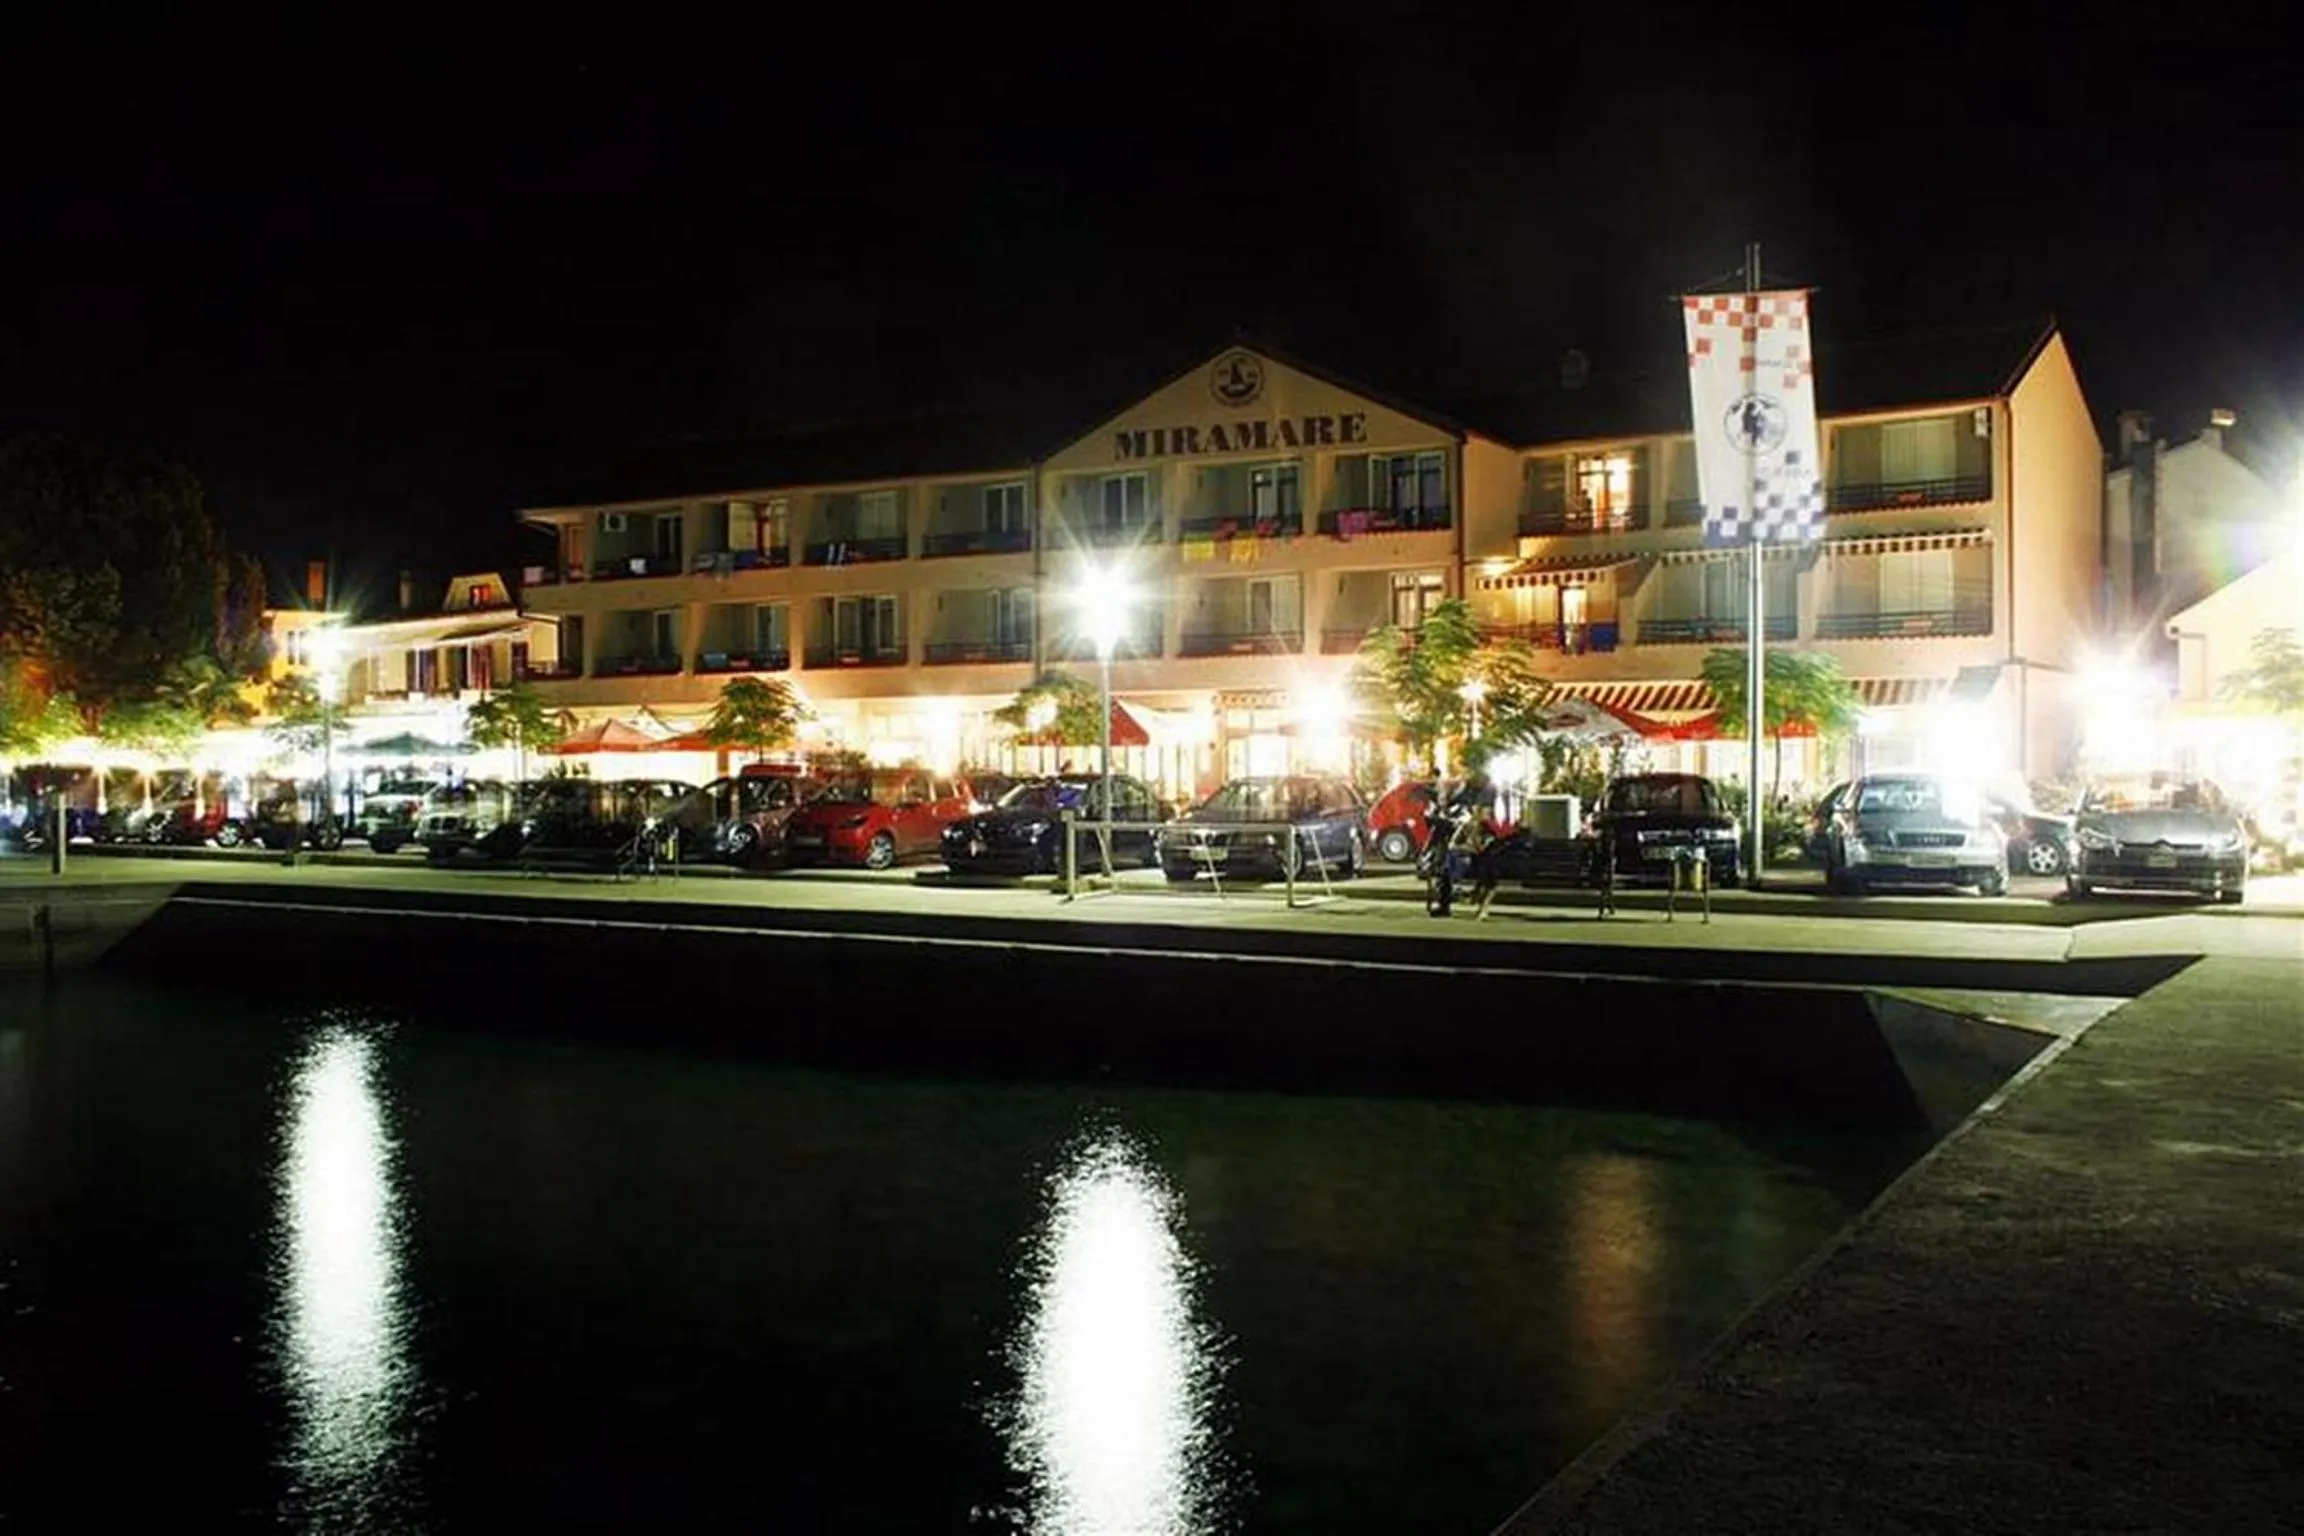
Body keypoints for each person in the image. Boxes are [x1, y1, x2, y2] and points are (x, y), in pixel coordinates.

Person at [1431, 766, 1501, 918]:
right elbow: (1455, 801)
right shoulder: (1469, 788)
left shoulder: (1488, 790)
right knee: (1449, 859)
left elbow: (1482, 816)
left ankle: (1458, 887)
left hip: (1481, 840)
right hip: (1471, 835)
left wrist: (1471, 839)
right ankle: (1450, 894)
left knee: (1461, 857)